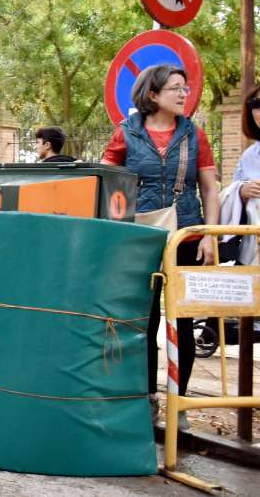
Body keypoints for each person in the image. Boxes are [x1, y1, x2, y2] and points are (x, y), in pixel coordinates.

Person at [100, 64, 218, 430]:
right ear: (152, 94)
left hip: (187, 237)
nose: (184, 94)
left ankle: (179, 403)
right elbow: (105, 181)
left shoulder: (195, 134)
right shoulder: (126, 132)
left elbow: (210, 187)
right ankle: (144, 399)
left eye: (185, 88)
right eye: (176, 88)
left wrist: (211, 234)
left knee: (182, 322)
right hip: (141, 237)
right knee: (143, 321)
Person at [220, 85, 260, 266]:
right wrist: (241, 192)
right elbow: (230, 201)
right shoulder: (249, 155)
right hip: (252, 254)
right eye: (256, 104)